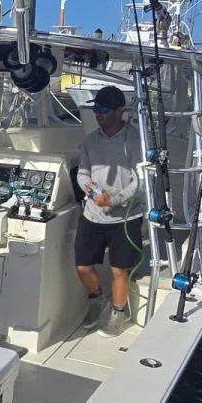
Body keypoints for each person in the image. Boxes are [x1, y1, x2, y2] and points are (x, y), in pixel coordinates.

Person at [74, 85, 144, 336]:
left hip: (126, 217)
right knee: (82, 266)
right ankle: (96, 298)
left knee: (119, 269)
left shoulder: (135, 139)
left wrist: (114, 200)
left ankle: (119, 312)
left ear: (120, 111)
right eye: (95, 108)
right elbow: (83, 173)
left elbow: (141, 181)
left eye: (103, 109)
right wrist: (91, 189)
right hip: (92, 214)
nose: (98, 113)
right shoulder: (91, 139)